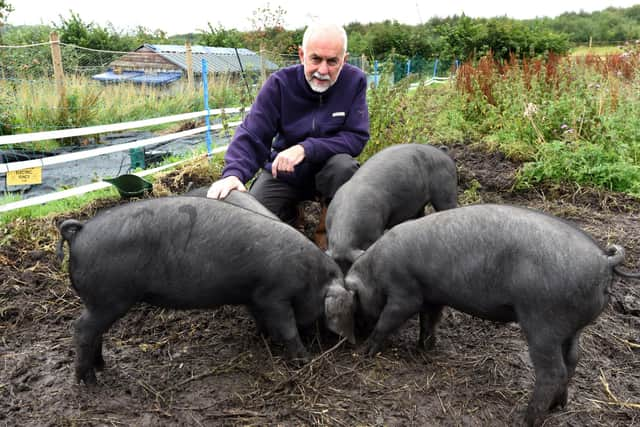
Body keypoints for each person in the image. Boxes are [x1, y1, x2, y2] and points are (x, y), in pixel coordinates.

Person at [206, 21, 370, 247]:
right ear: (302, 55)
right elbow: (253, 133)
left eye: (332, 61)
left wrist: (306, 148)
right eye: (316, 59)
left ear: (344, 59)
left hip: (329, 168)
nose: (323, 70)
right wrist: (234, 174)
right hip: (286, 170)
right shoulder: (280, 84)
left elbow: (356, 137)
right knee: (253, 220)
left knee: (344, 167)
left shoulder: (355, 81)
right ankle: (291, 217)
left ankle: (330, 235)